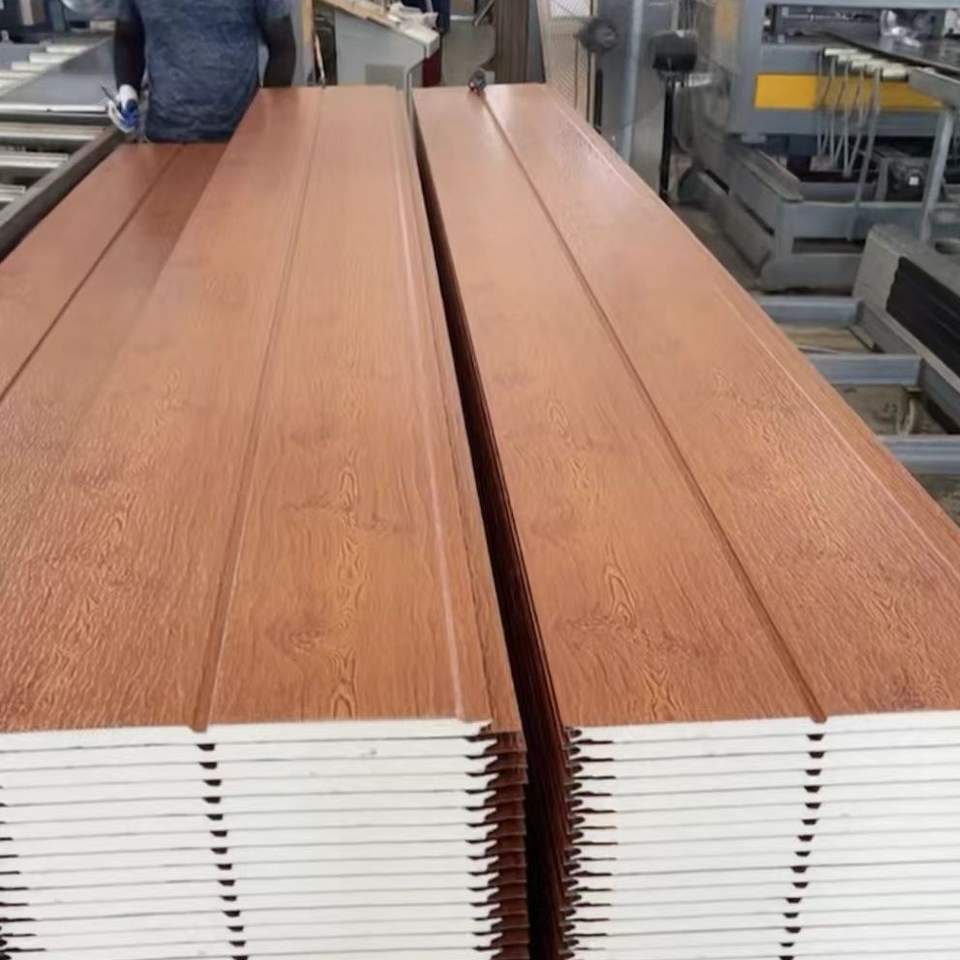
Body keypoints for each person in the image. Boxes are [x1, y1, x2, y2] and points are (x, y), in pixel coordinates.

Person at [113, 0, 298, 143]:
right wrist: (127, 90)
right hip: (164, 138)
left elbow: (282, 47)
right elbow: (128, 38)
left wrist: (271, 117)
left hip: (243, 138)